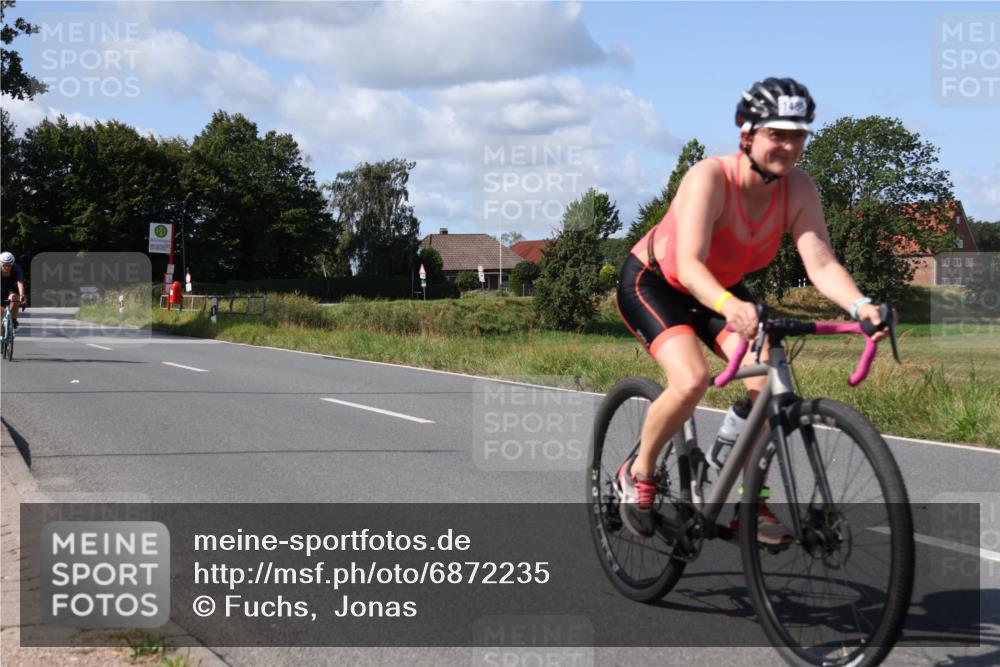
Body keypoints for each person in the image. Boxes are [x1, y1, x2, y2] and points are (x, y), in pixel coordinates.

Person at [614, 77, 891, 543]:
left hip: (720, 288)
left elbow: (820, 261)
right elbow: (690, 264)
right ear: (748, 132)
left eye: (798, 134)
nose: (788, 145)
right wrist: (729, 305)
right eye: (777, 133)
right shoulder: (710, 177)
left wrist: (861, 304)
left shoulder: (799, 189)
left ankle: (748, 497)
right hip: (657, 281)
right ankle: (638, 473)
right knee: (691, 379)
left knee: (768, 383)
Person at [1, 251, 26, 331]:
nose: (7, 267)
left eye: (9, 265)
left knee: (15, 298)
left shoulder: (16, 268)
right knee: (1, 311)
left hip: (11, 289)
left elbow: (20, 283)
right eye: (5, 265)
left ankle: (13, 320)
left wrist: (22, 296)